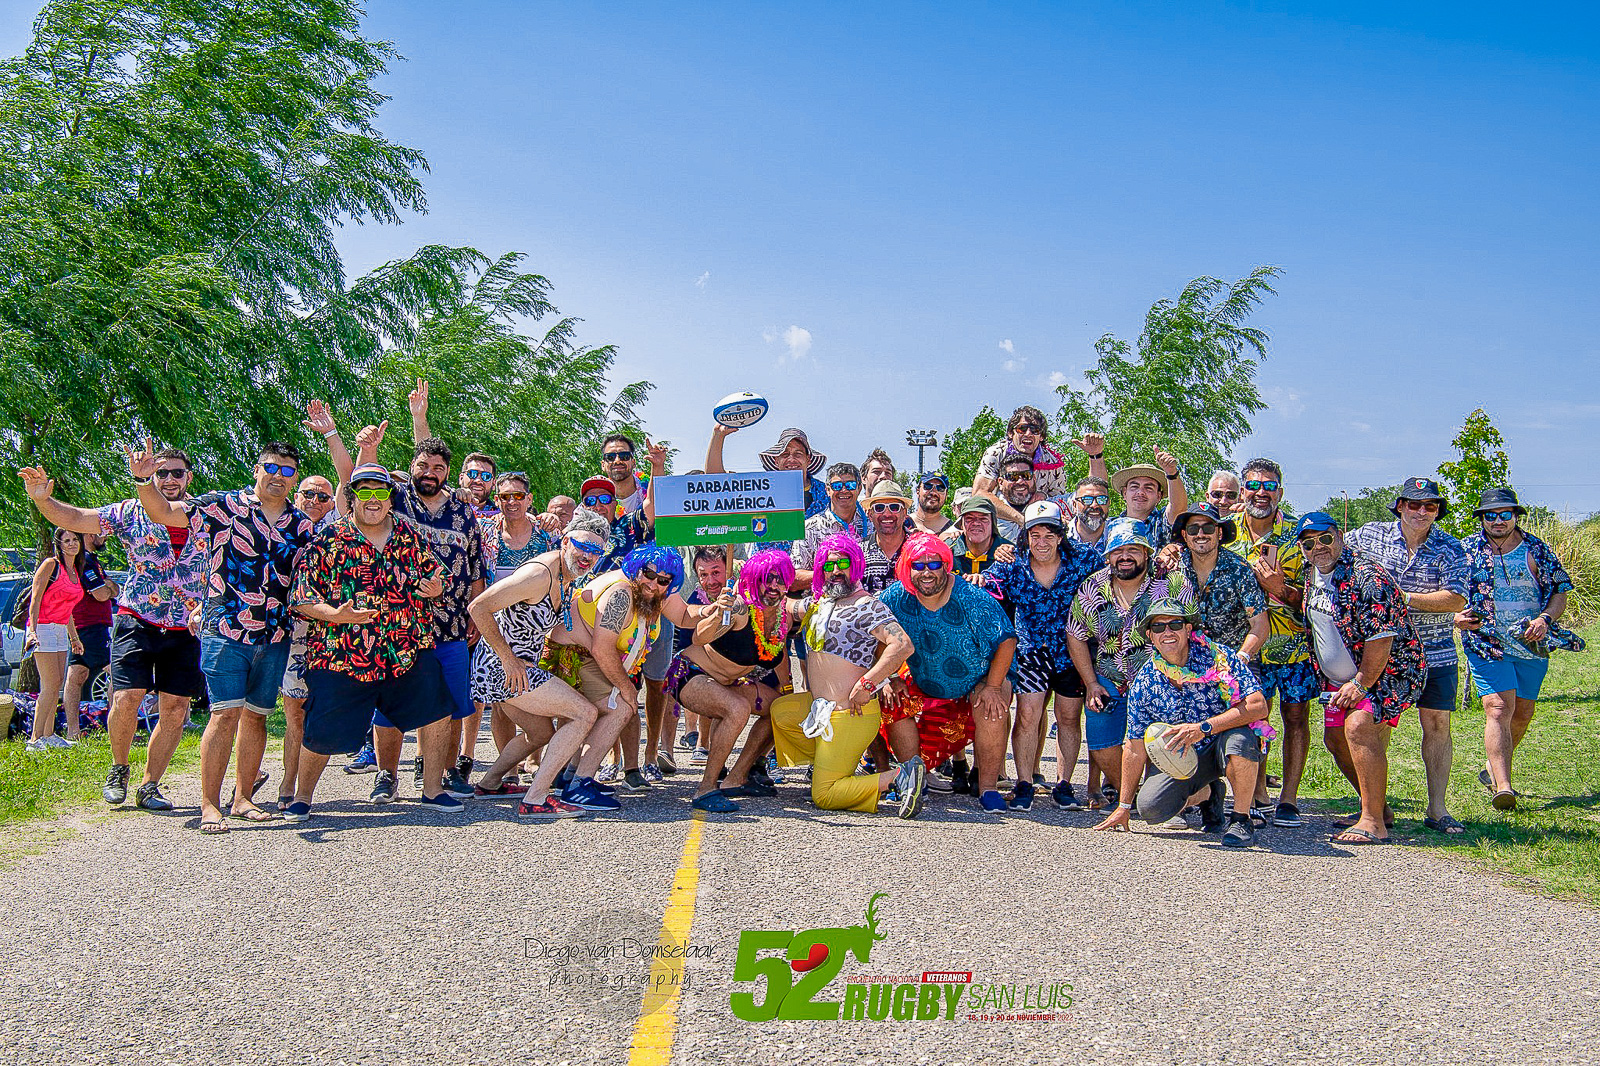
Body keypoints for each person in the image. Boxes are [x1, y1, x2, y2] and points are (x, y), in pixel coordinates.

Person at [128, 439, 318, 833]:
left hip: (275, 633)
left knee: (257, 718)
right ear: (257, 469)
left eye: (287, 471)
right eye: (271, 467)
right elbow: (164, 511)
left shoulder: (302, 526)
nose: (278, 477)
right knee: (224, 714)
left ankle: (243, 798)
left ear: (294, 477)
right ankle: (210, 805)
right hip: (226, 629)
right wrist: (144, 480)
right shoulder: (222, 507)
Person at [18, 454, 206, 811]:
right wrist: (43, 498)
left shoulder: (205, 514)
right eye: (159, 471)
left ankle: (150, 785)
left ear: (188, 477)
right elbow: (74, 518)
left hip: (186, 624)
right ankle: (119, 767)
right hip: (137, 618)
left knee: (176, 707)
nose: (167, 478)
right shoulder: (128, 513)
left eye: (175, 473)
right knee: (126, 697)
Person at [284, 464, 456, 822]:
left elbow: (439, 574)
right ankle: (302, 797)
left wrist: (437, 587)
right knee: (323, 730)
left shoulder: (409, 534)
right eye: (365, 492)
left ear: (390, 499)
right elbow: (300, 596)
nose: (373, 499)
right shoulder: (329, 539)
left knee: (438, 710)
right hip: (343, 654)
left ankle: (432, 789)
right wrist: (334, 615)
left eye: (381, 492)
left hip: (406, 647)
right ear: (352, 499)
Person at [346, 418, 486, 803]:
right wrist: (369, 447)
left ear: (447, 472)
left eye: (438, 467)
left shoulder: (462, 511)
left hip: (453, 622)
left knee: (455, 701)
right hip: (398, 623)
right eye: (423, 465)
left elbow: (476, 566)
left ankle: (442, 773)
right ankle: (386, 775)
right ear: (412, 467)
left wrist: (475, 614)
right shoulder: (395, 499)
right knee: (392, 702)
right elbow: (354, 488)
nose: (430, 473)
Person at [467, 508, 615, 820]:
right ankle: (535, 798)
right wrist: (508, 660)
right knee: (584, 713)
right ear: (565, 542)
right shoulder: (540, 575)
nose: (588, 555)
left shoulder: (569, 576)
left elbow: (566, 628)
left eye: (596, 550)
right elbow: (478, 607)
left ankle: (490, 783)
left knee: (540, 733)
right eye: (582, 546)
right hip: (501, 669)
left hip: (518, 668)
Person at [1345, 477, 1469, 835]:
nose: (1421, 511)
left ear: (1437, 511)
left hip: (1436, 651)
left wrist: (1400, 596)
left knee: (1437, 727)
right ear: (1400, 506)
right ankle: (1374, 808)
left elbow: (1456, 598)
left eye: (1430, 506)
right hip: (1385, 654)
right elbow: (1331, 544)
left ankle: (1437, 809)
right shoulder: (1370, 535)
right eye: (1414, 504)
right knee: (1376, 726)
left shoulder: (1451, 548)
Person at [1092, 600, 1271, 848]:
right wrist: (1123, 806)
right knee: (1150, 808)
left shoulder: (1218, 658)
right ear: (1149, 636)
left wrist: (1204, 727)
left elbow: (1258, 705)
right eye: (1158, 627)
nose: (1167, 632)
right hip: (1180, 755)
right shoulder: (1145, 681)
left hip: (1222, 742)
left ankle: (1241, 819)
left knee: (1241, 742)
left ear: (1188, 630)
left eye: (1175, 624)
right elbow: (1134, 745)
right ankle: (1209, 795)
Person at [770, 534, 923, 816]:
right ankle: (832, 763)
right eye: (828, 566)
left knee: (825, 796)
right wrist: (752, 586)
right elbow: (787, 606)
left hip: (850, 714)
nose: (836, 571)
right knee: (781, 711)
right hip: (822, 709)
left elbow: (902, 645)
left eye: (843, 563)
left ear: (856, 565)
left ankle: (899, 777)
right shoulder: (819, 602)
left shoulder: (868, 605)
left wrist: (869, 682)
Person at [1296, 512, 1425, 846]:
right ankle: (1378, 808)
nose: (1318, 547)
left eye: (1324, 538)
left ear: (1339, 535)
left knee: (1358, 728)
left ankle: (1372, 822)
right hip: (1342, 679)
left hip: (1385, 673)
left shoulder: (1367, 576)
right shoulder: (1315, 573)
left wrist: (1361, 684)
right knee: (1336, 739)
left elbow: (1380, 638)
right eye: (1308, 543)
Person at [1456, 488, 1586, 810]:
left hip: (1531, 644)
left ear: (1515, 516)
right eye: (1490, 515)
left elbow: (1559, 591)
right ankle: (1504, 787)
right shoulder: (1466, 551)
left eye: (1504, 514)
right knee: (1499, 708)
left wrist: (1545, 618)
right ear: (1482, 518)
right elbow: (1447, 592)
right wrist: (1454, 616)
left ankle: (1491, 768)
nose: (1498, 520)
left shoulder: (1537, 549)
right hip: (1486, 642)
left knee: (1523, 712)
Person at [879, 533, 1017, 812]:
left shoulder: (971, 598)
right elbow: (876, 634)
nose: (927, 571)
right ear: (907, 567)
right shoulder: (894, 597)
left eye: (934, 564)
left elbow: (1006, 640)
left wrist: (992, 686)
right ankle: (913, 781)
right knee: (892, 700)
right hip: (924, 680)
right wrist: (888, 677)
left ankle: (988, 787)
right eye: (918, 565)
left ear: (946, 565)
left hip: (980, 678)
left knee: (993, 705)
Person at [541, 544, 689, 805]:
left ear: (670, 583)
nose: (653, 583)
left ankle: (568, 775)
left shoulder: (649, 593)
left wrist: (718, 610)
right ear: (636, 569)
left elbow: (686, 617)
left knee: (600, 709)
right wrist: (628, 689)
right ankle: (579, 784)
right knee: (620, 706)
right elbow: (602, 648)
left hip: (585, 654)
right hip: (574, 655)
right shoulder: (622, 594)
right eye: (649, 574)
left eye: (662, 580)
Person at [1067, 522, 1195, 811]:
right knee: (1101, 744)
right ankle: (1137, 795)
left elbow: (1190, 631)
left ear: (1147, 553)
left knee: (1161, 745)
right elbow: (1075, 635)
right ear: (1108, 556)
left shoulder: (1173, 584)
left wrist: (1180, 676)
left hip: (1162, 679)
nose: (1125, 557)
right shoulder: (1091, 587)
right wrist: (1091, 683)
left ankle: (1167, 797)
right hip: (1109, 676)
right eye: (1118, 551)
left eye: (1133, 550)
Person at [984, 501, 1103, 810]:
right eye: (1035, 535)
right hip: (1030, 651)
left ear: (1060, 536)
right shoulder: (1013, 564)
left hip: (1071, 652)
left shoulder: (1084, 560)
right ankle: (1024, 782)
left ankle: (1063, 784)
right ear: (1027, 537)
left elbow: (1118, 570)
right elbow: (984, 588)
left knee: (1068, 717)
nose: (1042, 542)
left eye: (1049, 535)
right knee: (1027, 715)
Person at [1225, 458, 1315, 827]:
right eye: (1254, 485)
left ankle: (1289, 799)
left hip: (1293, 643)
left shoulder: (1300, 536)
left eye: (1269, 486)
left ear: (1281, 491)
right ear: (1243, 489)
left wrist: (1282, 590)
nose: (1261, 492)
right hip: (1245, 644)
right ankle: (1257, 794)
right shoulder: (1224, 530)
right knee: (1253, 716)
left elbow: (1318, 595)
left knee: (1296, 718)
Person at [672, 549, 797, 812]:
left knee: (783, 710)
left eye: (780, 579)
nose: (773, 586)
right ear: (755, 580)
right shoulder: (740, 607)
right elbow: (699, 638)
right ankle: (706, 788)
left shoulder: (785, 615)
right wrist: (718, 612)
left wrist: (786, 688)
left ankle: (736, 777)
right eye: (767, 578)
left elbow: (781, 652)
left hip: (730, 682)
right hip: (689, 673)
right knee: (736, 709)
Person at [472, 471, 558, 778]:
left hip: (537, 630)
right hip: (497, 629)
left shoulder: (546, 535)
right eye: (505, 496)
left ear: (529, 499)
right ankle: (507, 769)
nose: (511, 502)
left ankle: (535, 761)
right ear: (496, 500)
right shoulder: (484, 531)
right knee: (501, 702)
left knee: (535, 698)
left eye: (518, 496)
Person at [273, 471, 341, 810]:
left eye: (323, 497)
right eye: (308, 494)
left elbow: (349, 478)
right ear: (296, 495)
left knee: (324, 713)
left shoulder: (337, 532)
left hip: (333, 634)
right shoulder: (278, 528)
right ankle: (289, 783)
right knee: (294, 714)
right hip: (292, 632)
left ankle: (305, 789)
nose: (315, 501)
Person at [705, 424, 829, 554]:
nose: (791, 459)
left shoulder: (828, 494)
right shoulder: (760, 489)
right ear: (776, 460)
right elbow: (716, 485)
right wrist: (718, 435)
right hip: (765, 570)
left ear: (808, 459)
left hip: (811, 571)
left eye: (798, 454)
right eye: (785, 454)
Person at [667, 545, 734, 767]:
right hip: (703, 668)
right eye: (703, 575)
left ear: (729, 569)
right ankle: (701, 744)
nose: (711, 580)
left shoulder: (742, 595)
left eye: (716, 572)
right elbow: (689, 650)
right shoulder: (695, 599)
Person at [22, 528, 88, 750]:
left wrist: (74, 638)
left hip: (60, 628)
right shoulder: (51, 565)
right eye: (66, 540)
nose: (71, 544)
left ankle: (48, 734)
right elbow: (36, 598)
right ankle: (35, 739)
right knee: (49, 685)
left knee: (57, 683)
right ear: (58, 545)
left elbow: (67, 608)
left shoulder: (75, 570)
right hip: (43, 627)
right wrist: (32, 631)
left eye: (74, 539)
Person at [972, 407, 1106, 506]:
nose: (1028, 433)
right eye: (1022, 429)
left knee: (1083, 500)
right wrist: (1019, 518)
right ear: (1010, 433)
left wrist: (1095, 455)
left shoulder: (1052, 463)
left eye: (1035, 430)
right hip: (1000, 518)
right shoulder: (996, 453)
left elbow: (1093, 493)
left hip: (1039, 520)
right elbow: (978, 495)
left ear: (1041, 437)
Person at [62, 534, 117, 733]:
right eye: (100, 533)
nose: (104, 537)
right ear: (89, 534)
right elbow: (103, 594)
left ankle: (73, 731)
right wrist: (108, 588)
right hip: (90, 625)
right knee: (117, 672)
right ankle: (118, 726)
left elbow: (114, 589)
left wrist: (109, 588)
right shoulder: (84, 561)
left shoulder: (93, 560)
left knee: (77, 674)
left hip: (87, 625)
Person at [790, 462, 870, 588]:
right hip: (824, 601)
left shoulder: (871, 525)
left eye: (850, 485)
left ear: (859, 489)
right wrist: (832, 572)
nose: (844, 490)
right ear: (827, 490)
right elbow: (794, 577)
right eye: (837, 486)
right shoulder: (810, 528)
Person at [1108, 448, 1188, 550]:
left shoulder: (1162, 521)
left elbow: (1179, 508)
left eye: (1148, 488)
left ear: (1158, 496)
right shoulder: (1110, 526)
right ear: (1124, 493)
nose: (1140, 492)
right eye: (1134, 487)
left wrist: (1171, 473)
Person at [860, 480, 913, 593]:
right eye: (879, 508)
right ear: (870, 515)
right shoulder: (858, 553)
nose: (887, 514)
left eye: (894, 507)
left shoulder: (918, 549)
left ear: (904, 513)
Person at [949, 496, 1013, 580]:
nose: (976, 523)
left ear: (992, 523)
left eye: (983, 519)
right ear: (961, 524)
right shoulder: (948, 551)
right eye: (969, 518)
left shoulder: (1008, 553)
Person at [1066, 476, 1113, 553]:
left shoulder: (1119, 535)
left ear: (1108, 503)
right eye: (1087, 500)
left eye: (1101, 499)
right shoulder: (1060, 538)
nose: (1094, 505)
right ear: (1074, 505)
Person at [911, 472, 955, 538]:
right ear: (918, 491)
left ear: (946, 495)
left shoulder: (952, 531)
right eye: (928, 486)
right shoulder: (902, 524)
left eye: (940, 488)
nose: (934, 492)